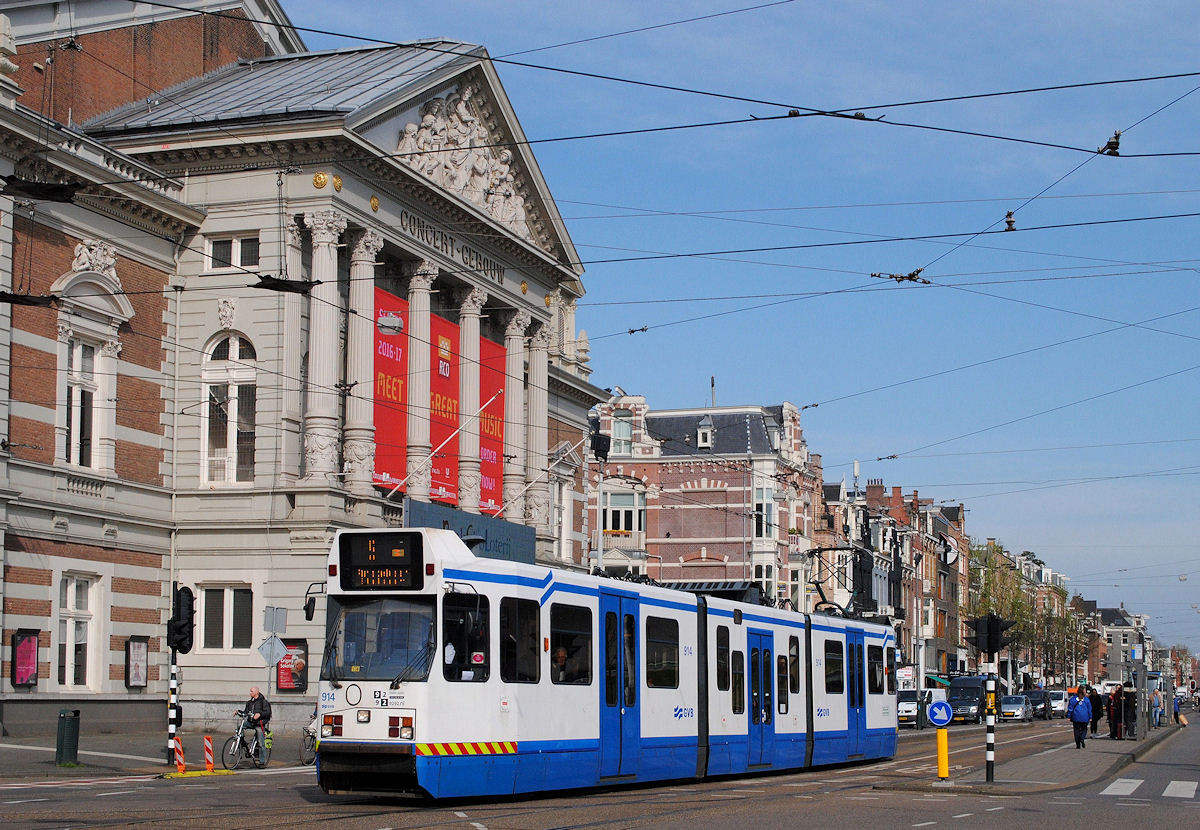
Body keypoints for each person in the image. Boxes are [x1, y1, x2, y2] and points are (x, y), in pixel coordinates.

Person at [242, 686, 272, 765]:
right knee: (240, 728)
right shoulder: (249, 702)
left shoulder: (263, 702)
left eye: (251, 691)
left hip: (259, 724)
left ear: (256, 692)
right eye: (250, 691)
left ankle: (262, 761)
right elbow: (245, 712)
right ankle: (242, 742)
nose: (250, 693)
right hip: (251, 722)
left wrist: (260, 714)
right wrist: (238, 712)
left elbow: (268, 713)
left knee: (261, 743)